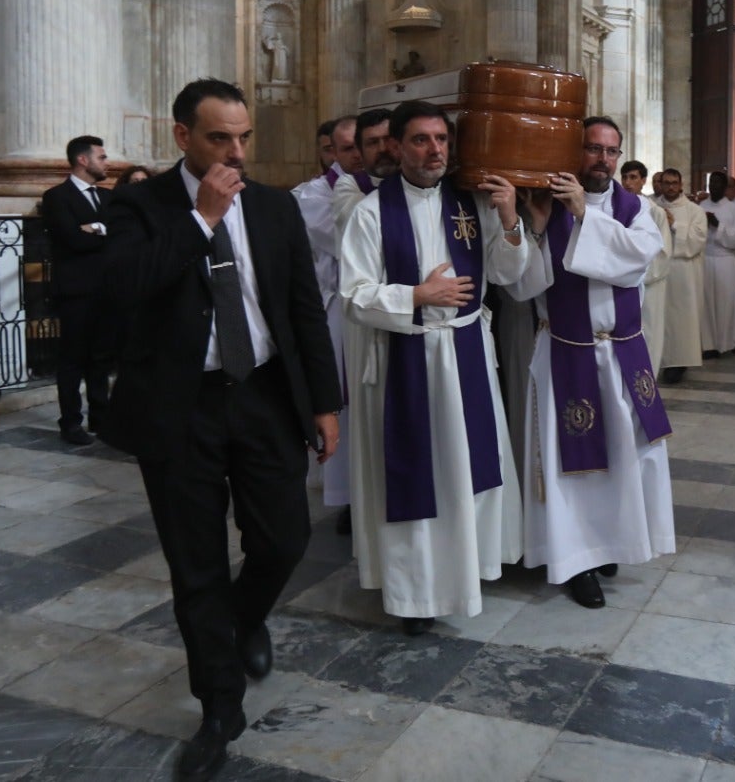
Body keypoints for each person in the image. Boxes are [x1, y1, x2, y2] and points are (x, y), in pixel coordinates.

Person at [99, 79, 341, 782]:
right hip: (180, 407)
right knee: (196, 563)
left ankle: (245, 615)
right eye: (219, 139)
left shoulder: (272, 206)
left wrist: (323, 404)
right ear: (183, 137)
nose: (236, 152)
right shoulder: (139, 204)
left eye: (243, 138)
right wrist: (201, 219)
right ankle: (218, 707)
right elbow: (124, 287)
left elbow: (301, 308)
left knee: (285, 538)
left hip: (264, 395)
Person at [338, 99, 528, 635]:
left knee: (466, 470)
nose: (434, 150)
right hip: (408, 357)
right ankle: (417, 592)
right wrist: (417, 296)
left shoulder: (471, 202)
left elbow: (507, 273)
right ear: (397, 147)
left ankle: (468, 570)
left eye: (441, 139)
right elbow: (353, 295)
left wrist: (510, 219)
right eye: (421, 140)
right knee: (419, 475)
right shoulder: (371, 212)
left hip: (466, 353)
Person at [509, 119, 675, 608]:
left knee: (625, 457)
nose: (603, 159)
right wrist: (540, 228)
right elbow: (522, 287)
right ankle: (576, 559)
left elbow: (635, 261)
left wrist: (585, 215)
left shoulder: (636, 209)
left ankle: (613, 544)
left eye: (611, 151)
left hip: (622, 355)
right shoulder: (545, 206)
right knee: (571, 467)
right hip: (566, 351)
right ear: (574, 151)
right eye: (593, 148)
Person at [291, 115, 364, 532]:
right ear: (331, 151)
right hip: (339, 312)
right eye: (347, 148)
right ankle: (350, 497)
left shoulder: (381, 189)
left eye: (361, 145)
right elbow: (349, 244)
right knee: (347, 408)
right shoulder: (312, 195)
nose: (357, 154)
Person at [41, 135, 114, 447]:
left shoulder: (108, 197)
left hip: (106, 288)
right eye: (102, 157)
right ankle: (70, 422)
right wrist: (102, 232)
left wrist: (95, 228)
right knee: (72, 359)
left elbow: (121, 233)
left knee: (101, 358)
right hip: (75, 290)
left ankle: (101, 416)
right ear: (83, 160)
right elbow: (72, 240)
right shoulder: (57, 197)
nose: (106, 162)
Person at [619, 160, 672, 373]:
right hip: (622, 282)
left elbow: (663, 252)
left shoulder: (656, 212)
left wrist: (638, 273)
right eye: (624, 177)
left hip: (650, 282)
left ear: (643, 181)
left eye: (633, 177)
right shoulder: (616, 208)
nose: (628, 182)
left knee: (649, 331)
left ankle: (649, 378)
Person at [656, 169, 706, 384]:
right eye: (666, 183)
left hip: (684, 273)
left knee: (682, 320)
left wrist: (674, 224)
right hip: (657, 271)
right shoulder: (651, 207)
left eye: (674, 183)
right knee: (659, 317)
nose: (670, 187)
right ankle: (658, 359)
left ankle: (678, 362)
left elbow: (698, 239)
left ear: (680, 184)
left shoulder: (695, 210)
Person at [700, 171, 735, 358]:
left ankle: (731, 340)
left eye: (717, 183)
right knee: (706, 304)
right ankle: (710, 345)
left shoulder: (733, 209)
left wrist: (718, 225)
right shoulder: (701, 207)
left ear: (724, 187)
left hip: (725, 260)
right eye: (711, 182)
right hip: (705, 259)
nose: (713, 186)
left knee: (727, 303)